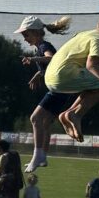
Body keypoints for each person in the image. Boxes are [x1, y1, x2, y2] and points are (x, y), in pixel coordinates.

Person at [44, 9, 99, 143]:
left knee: (96, 83)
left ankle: (70, 113)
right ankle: (76, 114)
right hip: (64, 75)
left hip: (50, 77)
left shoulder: (85, 34)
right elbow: (91, 66)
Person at [14, 15, 73, 172]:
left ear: (36, 33)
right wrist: (38, 74)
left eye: (26, 34)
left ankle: (37, 156)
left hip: (59, 89)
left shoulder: (43, 46)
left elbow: (51, 58)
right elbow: (50, 66)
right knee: (45, 123)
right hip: (63, 89)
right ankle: (43, 157)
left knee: (35, 118)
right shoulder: (39, 47)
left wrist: (33, 60)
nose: (25, 38)